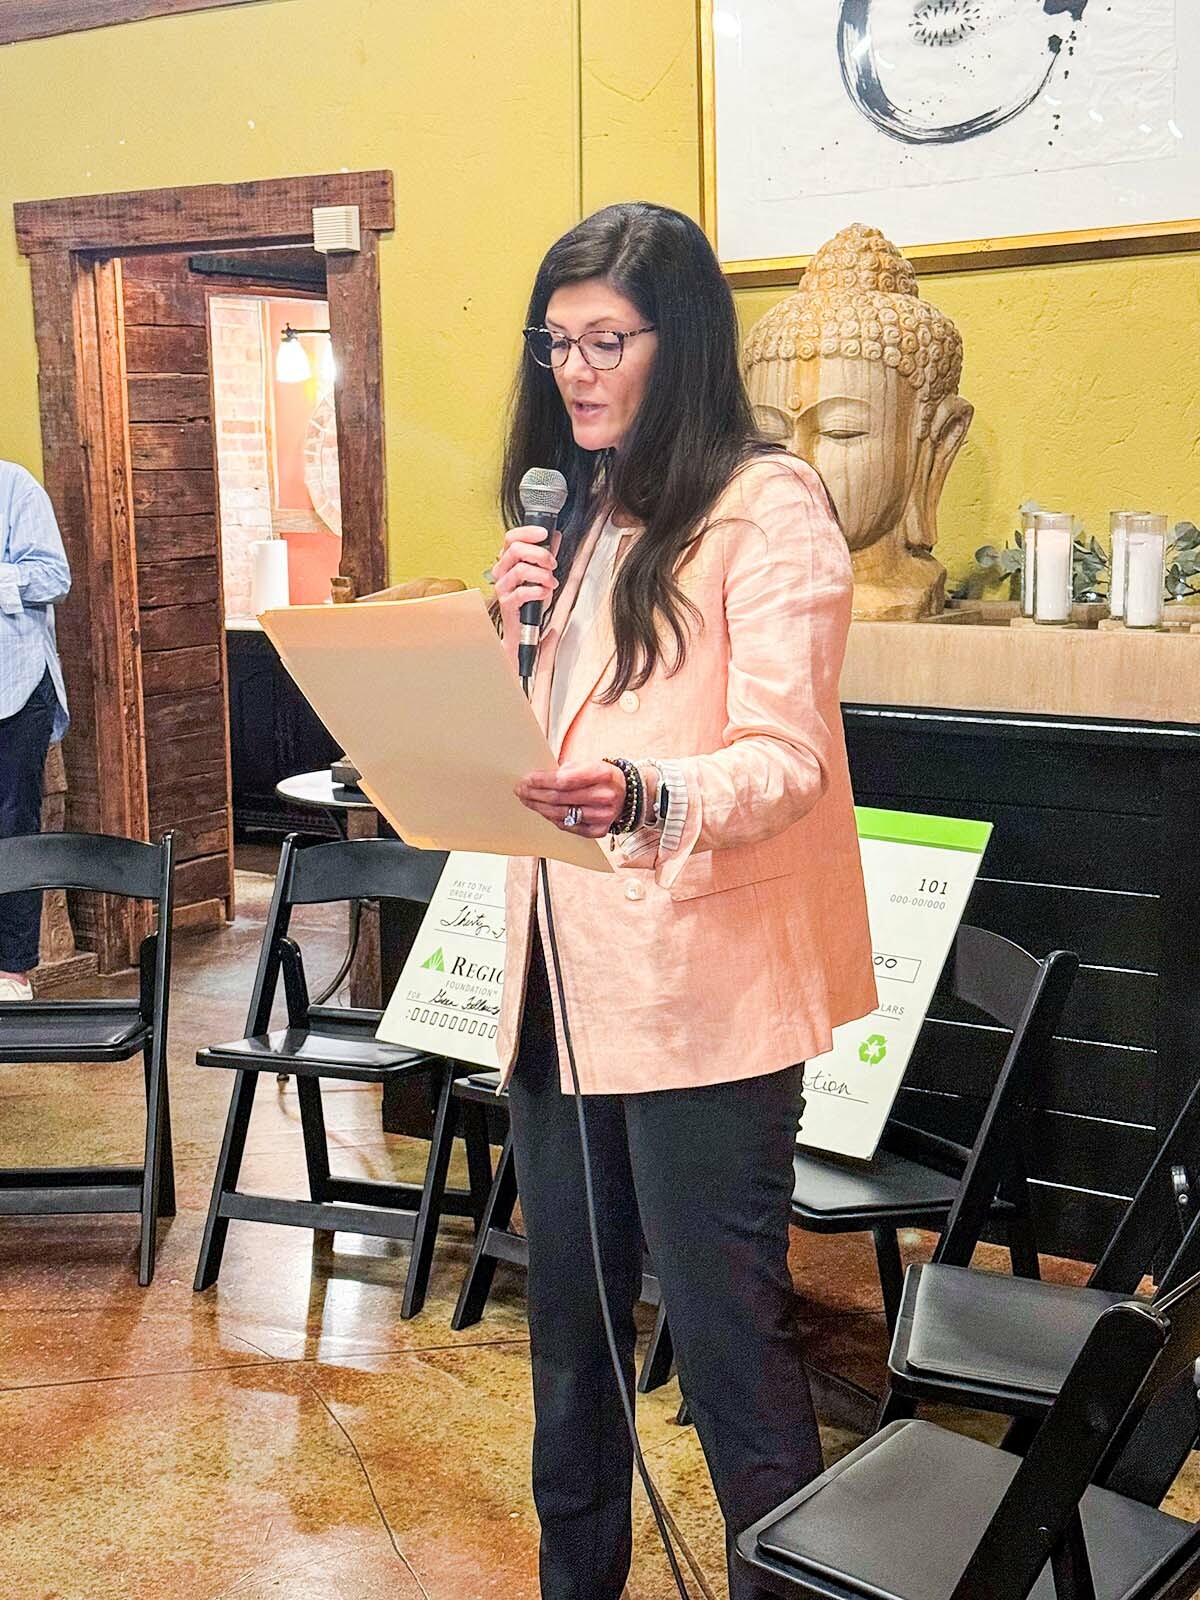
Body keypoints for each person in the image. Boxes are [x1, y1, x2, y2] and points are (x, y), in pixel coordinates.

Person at [489, 202, 877, 1600]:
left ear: (683, 342)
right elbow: (553, 740)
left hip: (700, 997)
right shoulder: (579, 518)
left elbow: (786, 758)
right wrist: (505, 640)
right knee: (570, 1353)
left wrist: (644, 794)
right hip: (565, 988)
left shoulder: (766, 507)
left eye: (607, 341)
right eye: (557, 345)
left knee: (728, 1355)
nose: (576, 372)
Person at [0, 459, 71, 1002]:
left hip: (15, 687)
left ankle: (12, 969)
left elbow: (53, 577)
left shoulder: (14, 486)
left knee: (13, 821)